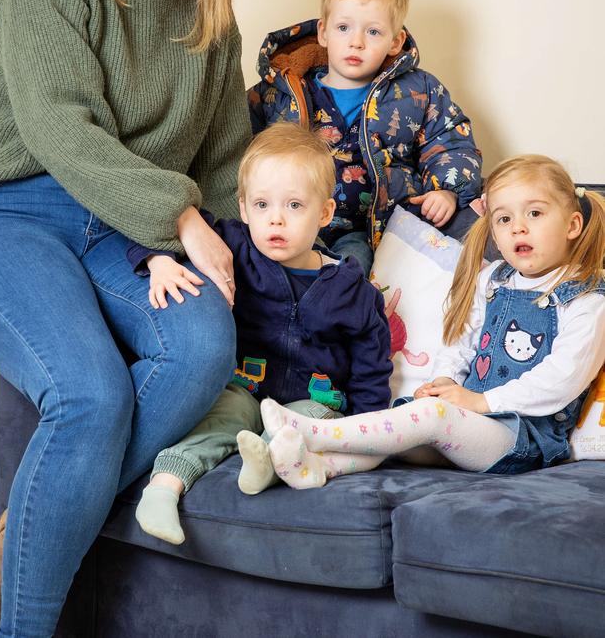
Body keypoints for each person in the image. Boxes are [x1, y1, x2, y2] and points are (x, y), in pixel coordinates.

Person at [0, 0, 252, 638]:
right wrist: (182, 222)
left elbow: (226, 157)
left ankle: (18, 543)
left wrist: (265, 266)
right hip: (10, 211)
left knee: (201, 346)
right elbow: (62, 127)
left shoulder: (210, 7)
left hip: (124, 231)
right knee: (90, 394)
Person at [251, 155, 605, 489]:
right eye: (504, 219)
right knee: (396, 438)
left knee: (433, 418)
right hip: (471, 419)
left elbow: (562, 378)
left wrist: (479, 403)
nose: (518, 229)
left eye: (534, 213)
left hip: (523, 437)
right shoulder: (495, 279)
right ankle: (316, 467)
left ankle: (310, 432)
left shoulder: (587, 298)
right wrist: (444, 380)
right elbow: (462, 340)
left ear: (573, 225)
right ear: (494, 232)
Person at [127, 123, 391, 544]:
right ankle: (162, 489)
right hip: (245, 388)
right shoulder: (234, 247)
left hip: (313, 400)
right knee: (219, 419)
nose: (276, 219)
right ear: (244, 209)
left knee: (307, 426)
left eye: (294, 205)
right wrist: (158, 260)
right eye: (263, 205)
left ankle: (265, 464)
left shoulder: (351, 290)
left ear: (324, 213)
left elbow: (372, 365)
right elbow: (157, 227)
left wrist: (366, 427)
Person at [247, 0, 483, 276]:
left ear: (395, 41)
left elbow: (450, 137)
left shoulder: (417, 91)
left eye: (373, 32)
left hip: (366, 230)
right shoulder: (281, 93)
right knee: (260, 269)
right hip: (290, 221)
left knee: (351, 273)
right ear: (324, 32)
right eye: (344, 27)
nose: (356, 41)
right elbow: (237, 141)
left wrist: (447, 190)